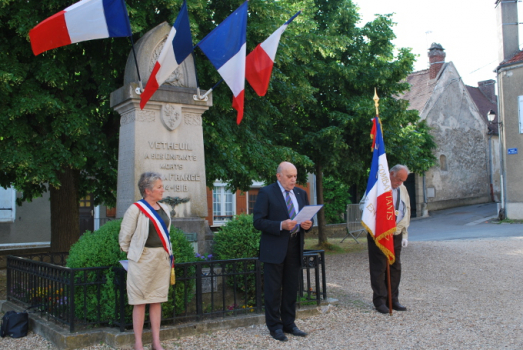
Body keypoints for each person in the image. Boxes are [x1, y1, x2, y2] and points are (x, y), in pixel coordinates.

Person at [253, 161, 313, 342]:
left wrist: (307, 225)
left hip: (295, 246)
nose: (293, 179)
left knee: (291, 287)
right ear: (279, 176)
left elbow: (307, 220)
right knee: (273, 290)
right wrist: (281, 225)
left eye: (295, 176)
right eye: (289, 176)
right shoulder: (266, 192)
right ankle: (274, 327)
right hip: (274, 248)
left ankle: (289, 323)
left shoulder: (301, 193)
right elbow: (258, 221)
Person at [119, 172, 172, 350]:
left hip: (160, 259)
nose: (162, 190)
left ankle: (156, 342)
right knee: (140, 301)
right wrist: (134, 255)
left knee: (156, 299)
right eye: (159, 187)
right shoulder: (135, 209)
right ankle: (138, 343)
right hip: (142, 260)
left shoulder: (164, 208)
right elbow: (124, 237)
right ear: (148, 190)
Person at [367, 164, 411, 314]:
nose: (400, 183)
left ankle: (393, 299)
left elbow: (406, 210)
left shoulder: (402, 189)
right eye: (398, 179)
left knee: (395, 267)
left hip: (396, 232)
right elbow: (364, 207)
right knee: (379, 267)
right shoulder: (377, 187)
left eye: (403, 181)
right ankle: (380, 301)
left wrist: (404, 233)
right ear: (391, 174)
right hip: (379, 233)